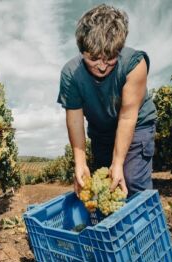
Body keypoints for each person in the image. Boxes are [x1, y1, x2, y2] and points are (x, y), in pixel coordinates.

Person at [57, 4, 157, 197]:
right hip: (101, 132)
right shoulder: (70, 74)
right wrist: (80, 163)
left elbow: (128, 117)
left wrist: (118, 163)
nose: (102, 67)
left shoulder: (135, 64)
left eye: (110, 58)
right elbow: (75, 120)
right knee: (105, 187)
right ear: (82, 50)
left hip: (136, 125)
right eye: (94, 59)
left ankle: (143, 224)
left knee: (132, 181)